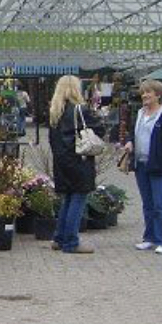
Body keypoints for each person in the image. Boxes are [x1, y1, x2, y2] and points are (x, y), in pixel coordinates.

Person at [123, 79, 162, 255]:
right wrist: (130, 142)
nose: (144, 96)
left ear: (158, 95)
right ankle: (149, 237)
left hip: (159, 167)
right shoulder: (140, 113)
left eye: (148, 92)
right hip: (141, 164)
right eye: (143, 93)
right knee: (147, 204)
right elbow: (133, 133)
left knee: (160, 204)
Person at [49, 75, 105, 255]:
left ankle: (59, 237)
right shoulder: (79, 109)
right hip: (78, 160)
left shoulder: (55, 111)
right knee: (78, 198)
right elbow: (99, 130)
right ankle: (71, 241)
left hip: (61, 161)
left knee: (67, 198)